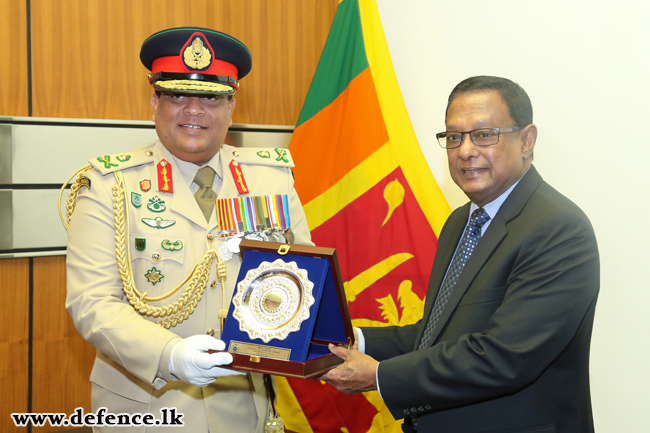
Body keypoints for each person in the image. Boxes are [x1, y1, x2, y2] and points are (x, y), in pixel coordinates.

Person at [62, 27, 311, 432]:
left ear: (233, 105)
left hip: (242, 404)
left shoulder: (272, 178)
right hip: (145, 406)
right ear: (154, 102)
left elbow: (302, 279)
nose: (193, 111)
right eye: (177, 95)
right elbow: (92, 302)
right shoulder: (110, 184)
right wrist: (169, 354)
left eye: (211, 98)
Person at [322, 76, 599, 433]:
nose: (466, 150)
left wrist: (379, 375)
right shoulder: (459, 222)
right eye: (454, 137)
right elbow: (436, 335)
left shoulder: (558, 228)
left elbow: (504, 357)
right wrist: (354, 340)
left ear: (527, 141)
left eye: (484, 135)